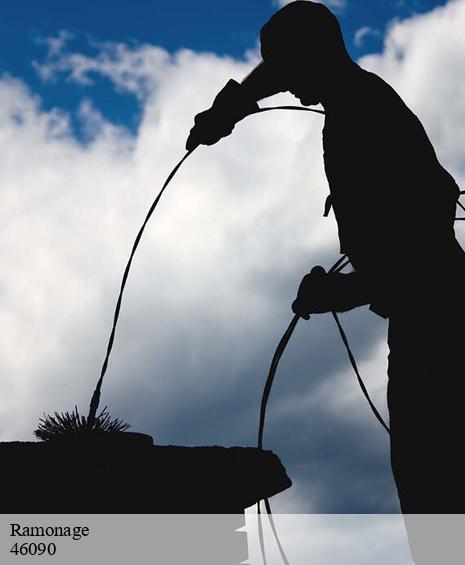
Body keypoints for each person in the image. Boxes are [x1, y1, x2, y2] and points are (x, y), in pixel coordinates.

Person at [186, 1, 465, 515]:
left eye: (287, 68)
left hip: (439, 330)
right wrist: (234, 105)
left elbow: (422, 261)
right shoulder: (357, 100)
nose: (284, 84)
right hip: (430, 322)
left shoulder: (363, 117)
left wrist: (340, 293)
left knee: (434, 482)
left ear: (313, 57)